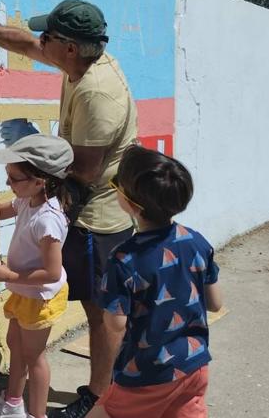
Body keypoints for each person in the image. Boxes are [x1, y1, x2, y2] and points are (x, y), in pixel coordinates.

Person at [0, 0, 138, 417]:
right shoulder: (76, 62)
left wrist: (35, 151)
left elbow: (85, 172)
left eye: (48, 37)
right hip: (73, 204)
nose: (40, 42)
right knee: (89, 315)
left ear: (69, 47)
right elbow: (26, 45)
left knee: (103, 315)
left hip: (98, 221)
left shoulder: (98, 94)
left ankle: (99, 395)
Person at [87, 145, 223, 418]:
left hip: (146, 374)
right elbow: (216, 303)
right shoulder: (196, 241)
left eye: (117, 185)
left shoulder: (123, 259)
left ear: (131, 204)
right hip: (194, 366)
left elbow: (115, 324)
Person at [0, 134, 73, 418]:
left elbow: (52, 272)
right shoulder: (26, 201)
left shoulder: (47, 218)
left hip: (40, 296)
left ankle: (37, 414)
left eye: (14, 178)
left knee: (34, 357)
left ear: (40, 180)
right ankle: (13, 406)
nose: (8, 184)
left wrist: (9, 273)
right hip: (25, 291)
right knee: (16, 346)